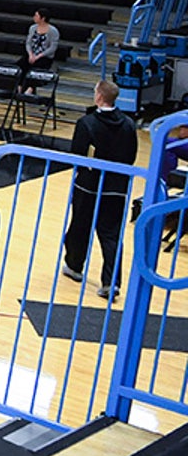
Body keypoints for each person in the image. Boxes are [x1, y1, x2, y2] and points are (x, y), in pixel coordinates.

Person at [61, 79, 140, 301]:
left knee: (80, 226)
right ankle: (111, 282)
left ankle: (74, 266)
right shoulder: (128, 124)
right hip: (117, 188)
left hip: (89, 186)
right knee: (111, 235)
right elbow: (131, 156)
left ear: (98, 97)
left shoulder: (86, 123)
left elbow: (77, 154)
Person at [21, 9, 62, 93]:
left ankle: (30, 89)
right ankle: (19, 87)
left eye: (36, 16)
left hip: (44, 57)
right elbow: (28, 43)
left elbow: (52, 48)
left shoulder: (53, 31)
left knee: (36, 68)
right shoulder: (32, 28)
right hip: (32, 55)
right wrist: (30, 54)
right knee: (21, 65)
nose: (34, 17)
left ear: (43, 18)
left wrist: (38, 56)